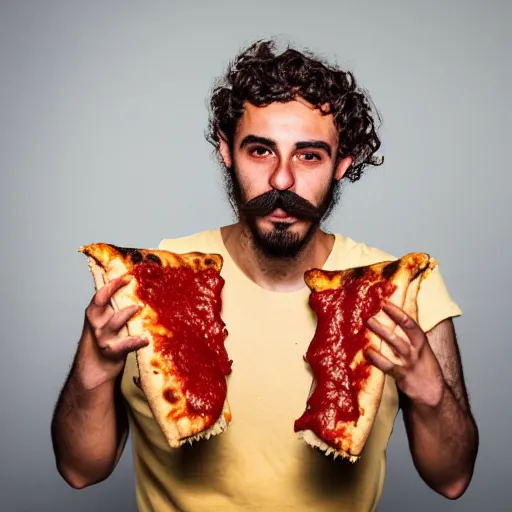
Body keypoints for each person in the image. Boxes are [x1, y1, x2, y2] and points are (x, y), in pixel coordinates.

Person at [50, 39, 479, 512]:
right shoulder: (147, 284)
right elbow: (79, 471)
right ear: (226, 151)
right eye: (260, 151)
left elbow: (453, 479)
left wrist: (431, 394)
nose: (281, 181)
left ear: (342, 164)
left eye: (309, 156)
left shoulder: (403, 290)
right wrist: (91, 373)